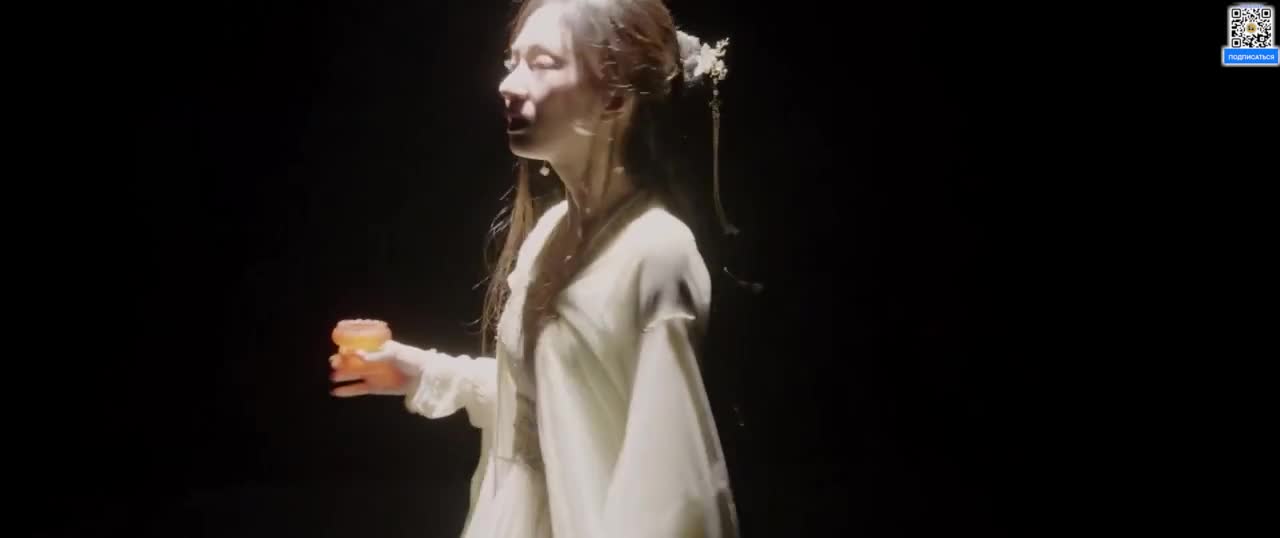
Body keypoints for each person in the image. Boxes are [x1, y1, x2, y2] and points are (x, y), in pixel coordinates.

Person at [328, 1, 740, 536]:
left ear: (615, 97)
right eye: (512, 62)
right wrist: (421, 372)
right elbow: (548, 401)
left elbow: (670, 492)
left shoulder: (656, 253)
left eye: (542, 63)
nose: (508, 85)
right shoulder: (551, 232)